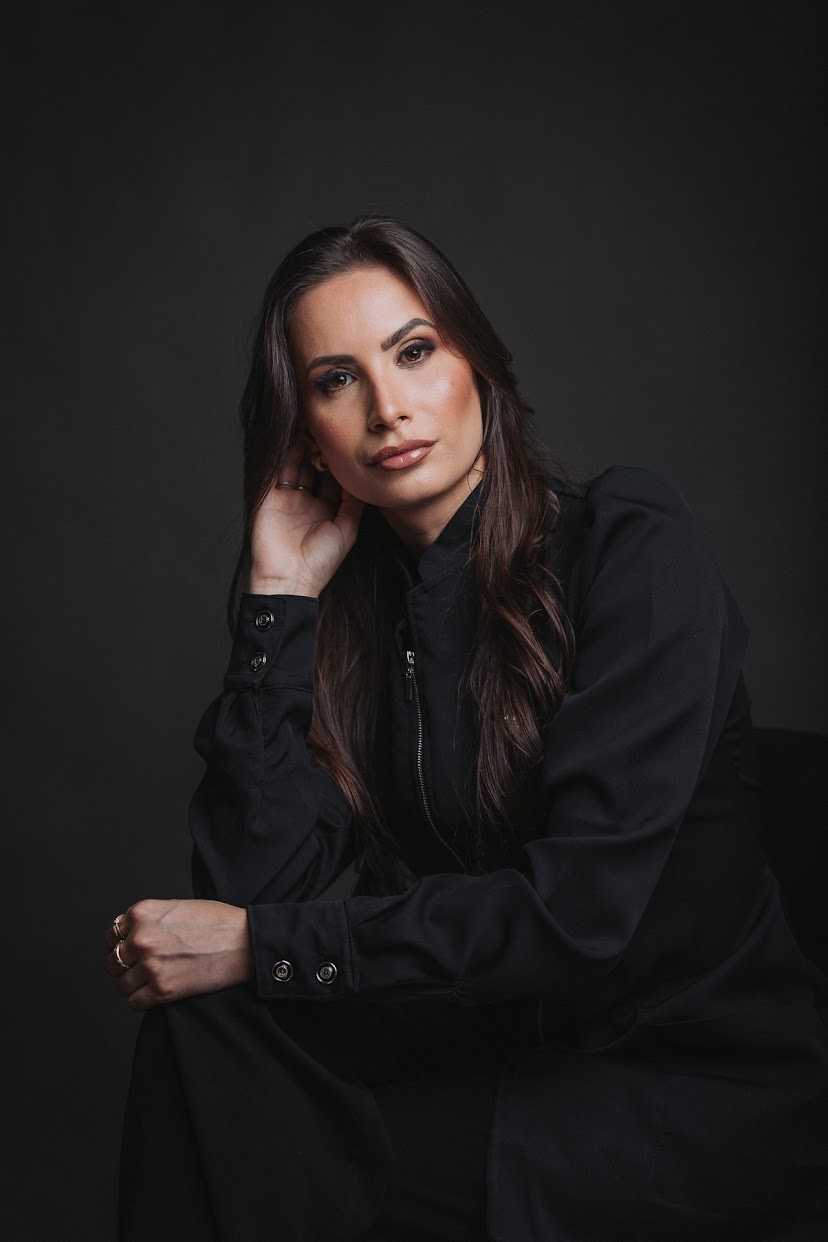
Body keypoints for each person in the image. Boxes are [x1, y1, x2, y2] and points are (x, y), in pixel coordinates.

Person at [106, 214, 828, 1242]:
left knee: (282, 1154)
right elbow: (242, 887)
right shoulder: (360, 623)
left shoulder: (630, 545)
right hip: (510, 1044)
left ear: (477, 362)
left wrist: (265, 945)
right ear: (306, 432)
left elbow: (574, 919)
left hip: (690, 1090)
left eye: (413, 351)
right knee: (206, 1032)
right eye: (337, 380)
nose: (388, 407)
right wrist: (279, 598)